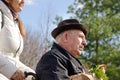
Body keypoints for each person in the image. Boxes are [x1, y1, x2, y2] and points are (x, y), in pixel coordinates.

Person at [0, 0, 35, 80]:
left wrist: (33, 76)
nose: (23, 2)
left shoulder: (14, 21)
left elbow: (13, 60)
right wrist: (12, 71)